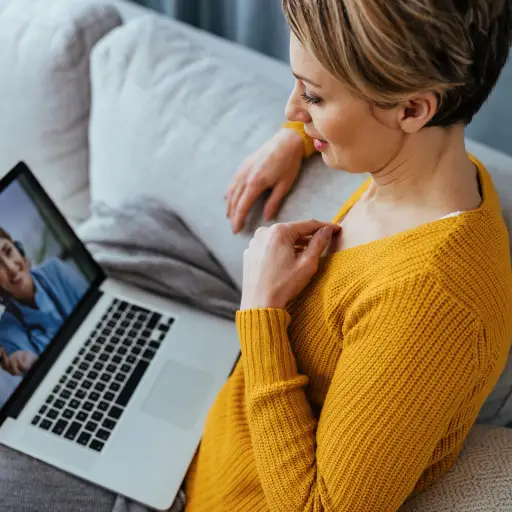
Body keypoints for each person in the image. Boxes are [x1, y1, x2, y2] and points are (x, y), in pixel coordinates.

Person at [187, 1, 512, 511]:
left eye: (312, 95)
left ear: (411, 110)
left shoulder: (430, 306)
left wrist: (260, 313)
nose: (291, 109)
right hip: (201, 457)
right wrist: (297, 138)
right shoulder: (437, 170)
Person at [0, 228, 89, 377]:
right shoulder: (7, 330)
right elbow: (44, 377)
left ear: (19, 249)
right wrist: (28, 362)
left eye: (8, 251)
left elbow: (94, 311)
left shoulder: (56, 270)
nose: (12, 268)